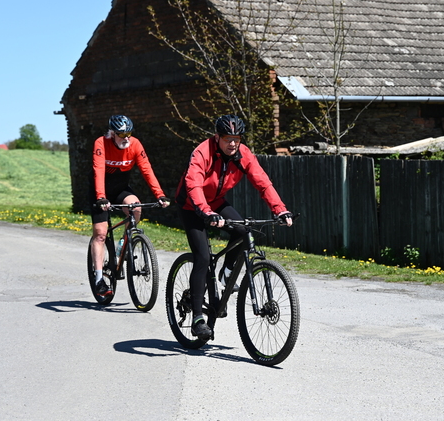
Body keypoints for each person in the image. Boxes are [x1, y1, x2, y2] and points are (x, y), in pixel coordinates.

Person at [176, 114, 293, 340]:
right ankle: (198, 318)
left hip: (216, 202)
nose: (232, 143)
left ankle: (225, 274)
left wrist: (279, 209)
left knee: (243, 231)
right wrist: (205, 211)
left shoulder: (243, 154)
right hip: (191, 206)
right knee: (202, 257)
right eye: (227, 139)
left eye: (236, 139)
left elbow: (263, 182)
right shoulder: (202, 152)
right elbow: (193, 184)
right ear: (217, 137)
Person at [90, 115, 170, 297]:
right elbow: (98, 170)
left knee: (136, 208)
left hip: (120, 189)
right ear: (112, 134)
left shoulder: (135, 144)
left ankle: (123, 245)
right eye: (122, 134)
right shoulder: (101, 143)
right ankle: (99, 279)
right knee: (101, 234)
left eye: (129, 133)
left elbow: (146, 169)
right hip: (99, 191)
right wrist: (101, 197)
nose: (126, 138)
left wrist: (160, 195)